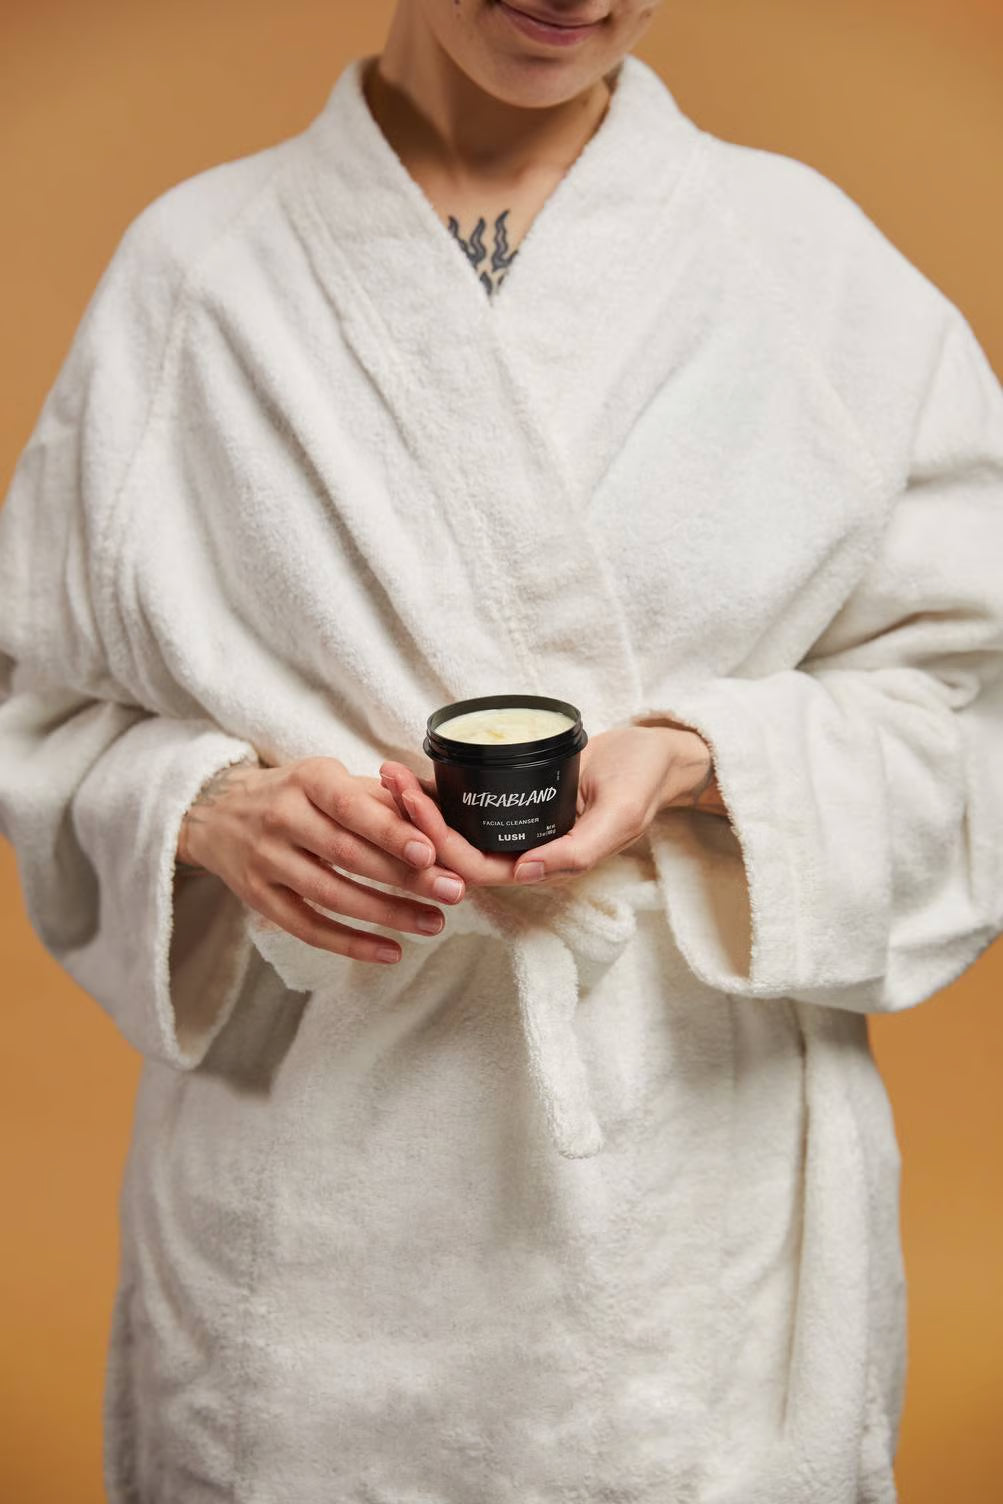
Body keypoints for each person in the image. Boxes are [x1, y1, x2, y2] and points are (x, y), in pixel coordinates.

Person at [1, 1, 1002, 1499]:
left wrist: (705, 759)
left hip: (690, 1214)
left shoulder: (812, 266)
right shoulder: (196, 271)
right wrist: (204, 810)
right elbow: (41, 703)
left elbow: (973, 705)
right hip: (313, 1210)